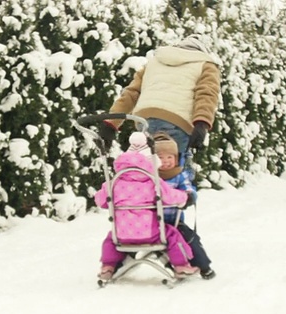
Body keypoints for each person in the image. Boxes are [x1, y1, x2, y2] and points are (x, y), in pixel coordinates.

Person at [99, 34, 221, 167]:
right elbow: (207, 94)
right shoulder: (206, 64)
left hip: (145, 121)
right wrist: (202, 123)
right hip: (177, 122)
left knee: (149, 172)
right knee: (176, 173)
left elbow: (131, 93)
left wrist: (111, 123)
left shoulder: (154, 62)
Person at [94, 132, 199, 281]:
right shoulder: (153, 181)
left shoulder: (113, 183)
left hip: (122, 234)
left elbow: (101, 201)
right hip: (151, 233)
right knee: (173, 234)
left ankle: (108, 266)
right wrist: (185, 197)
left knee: (110, 239)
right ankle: (181, 266)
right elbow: (170, 197)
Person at [153, 132, 216, 280]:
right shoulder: (149, 176)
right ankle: (113, 266)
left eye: (170, 157)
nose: (166, 161)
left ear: (176, 158)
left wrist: (189, 196)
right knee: (127, 237)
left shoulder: (180, 175)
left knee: (190, 238)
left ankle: (203, 266)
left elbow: (189, 188)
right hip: (150, 222)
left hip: (174, 221)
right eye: (161, 157)